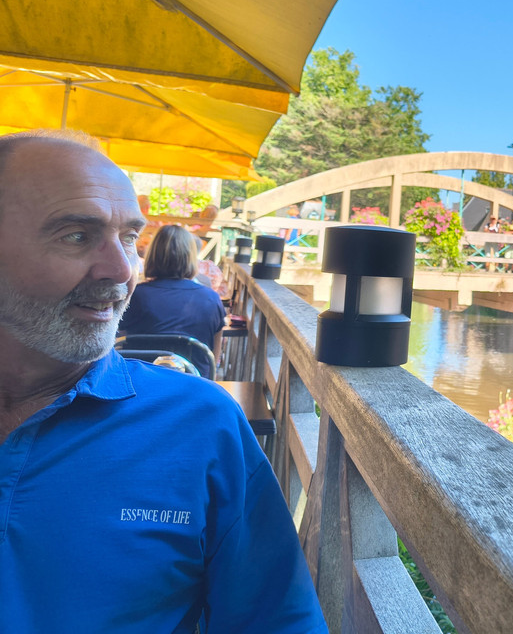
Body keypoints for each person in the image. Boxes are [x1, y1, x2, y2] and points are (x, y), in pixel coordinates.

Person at [0, 131, 326, 633]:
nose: (122, 270)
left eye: (130, 238)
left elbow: (277, 619)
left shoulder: (202, 426)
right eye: (76, 235)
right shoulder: (207, 305)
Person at [119, 224, 227, 377]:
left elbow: (120, 344)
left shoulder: (135, 295)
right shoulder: (211, 298)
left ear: (153, 254)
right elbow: (213, 359)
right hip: (194, 387)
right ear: (191, 257)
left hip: (142, 385)